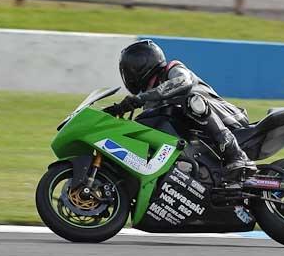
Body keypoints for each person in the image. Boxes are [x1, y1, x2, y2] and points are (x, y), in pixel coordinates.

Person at [106, 39, 257, 177]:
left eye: (129, 69)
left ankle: (236, 155)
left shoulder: (173, 69)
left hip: (229, 117)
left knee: (189, 100)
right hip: (202, 135)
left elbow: (183, 83)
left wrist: (139, 99)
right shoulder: (150, 102)